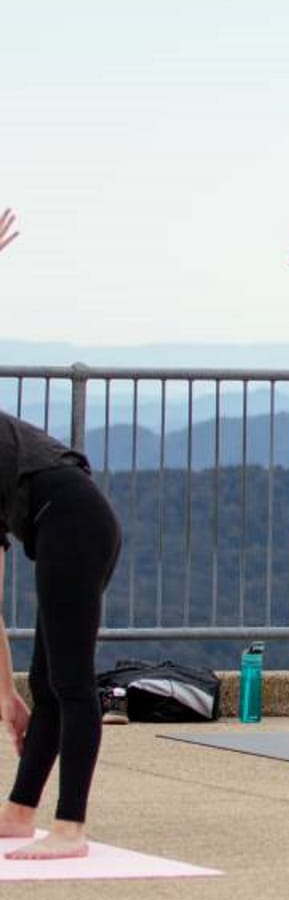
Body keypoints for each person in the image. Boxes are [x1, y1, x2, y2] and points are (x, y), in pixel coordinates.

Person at [0, 208, 125, 859]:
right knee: (48, 685)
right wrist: (8, 695)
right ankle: (21, 812)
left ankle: (70, 827)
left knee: (71, 683)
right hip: (62, 528)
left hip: (76, 521)